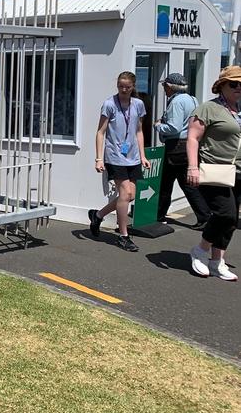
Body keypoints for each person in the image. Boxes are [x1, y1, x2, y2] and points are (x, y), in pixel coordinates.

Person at [186, 66, 241, 281]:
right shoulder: (209, 108)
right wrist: (192, 167)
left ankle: (217, 260)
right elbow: (192, 138)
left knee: (231, 220)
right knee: (225, 214)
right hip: (215, 169)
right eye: (234, 84)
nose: (238, 88)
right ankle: (201, 250)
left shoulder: (239, 109)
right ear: (222, 86)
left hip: (238, 171)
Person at [88, 71, 151, 252]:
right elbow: (100, 132)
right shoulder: (109, 104)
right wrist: (99, 158)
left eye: (127, 87)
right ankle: (124, 236)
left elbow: (139, 131)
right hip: (115, 156)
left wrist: (143, 155)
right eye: (120, 86)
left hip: (133, 156)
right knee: (124, 194)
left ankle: (98, 215)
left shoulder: (138, 104)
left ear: (133, 86)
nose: (124, 90)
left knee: (130, 195)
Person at [154, 73, 210, 229]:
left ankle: (159, 215)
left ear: (171, 87)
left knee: (169, 183)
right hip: (188, 146)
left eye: (165, 86)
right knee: (183, 183)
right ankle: (204, 216)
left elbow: (174, 127)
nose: (164, 89)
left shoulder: (176, 102)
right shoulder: (192, 99)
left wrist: (157, 125)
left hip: (175, 147)